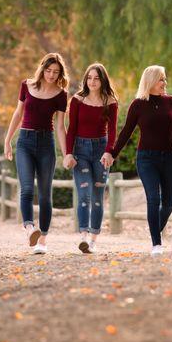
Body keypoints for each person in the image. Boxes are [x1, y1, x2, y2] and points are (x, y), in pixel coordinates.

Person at [110, 66, 172, 256]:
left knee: (168, 203)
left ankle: (154, 229)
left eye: (165, 79)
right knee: (153, 198)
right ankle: (156, 243)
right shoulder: (138, 104)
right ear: (150, 81)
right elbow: (126, 132)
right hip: (147, 159)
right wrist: (112, 153)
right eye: (161, 79)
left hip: (169, 158)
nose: (164, 83)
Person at [4, 53, 69, 254]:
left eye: (56, 72)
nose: (51, 75)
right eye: (48, 70)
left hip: (46, 144)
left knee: (45, 195)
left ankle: (43, 241)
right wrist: (7, 140)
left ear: (60, 74)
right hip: (24, 142)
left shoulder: (61, 94)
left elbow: (60, 126)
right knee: (26, 189)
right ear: (42, 68)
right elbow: (18, 113)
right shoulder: (27, 85)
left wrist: (66, 153)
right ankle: (30, 227)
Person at [64, 63, 118, 254]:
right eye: (89, 78)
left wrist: (109, 151)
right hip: (81, 150)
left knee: (97, 197)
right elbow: (71, 129)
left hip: (101, 151)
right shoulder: (77, 100)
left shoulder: (110, 101)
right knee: (84, 193)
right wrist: (68, 153)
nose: (92, 81)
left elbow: (112, 131)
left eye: (96, 78)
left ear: (102, 80)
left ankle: (94, 240)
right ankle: (84, 236)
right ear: (85, 80)